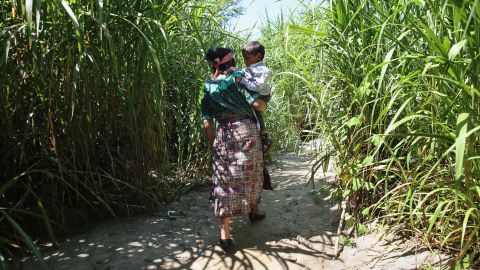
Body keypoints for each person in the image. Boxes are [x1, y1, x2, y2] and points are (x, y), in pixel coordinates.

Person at [202, 47, 266, 252]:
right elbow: (258, 105)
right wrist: (263, 103)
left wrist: (212, 144)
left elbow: (206, 122)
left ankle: (225, 233)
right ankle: (254, 210)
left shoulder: (208, 87)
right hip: (246, 131)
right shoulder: (238, 78)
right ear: (232, 61)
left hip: (223, 135)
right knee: (251, 173)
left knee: (224, 181)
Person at [236, 41, 273, 151]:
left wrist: (243, 81)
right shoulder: (251, 67)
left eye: (247, 58)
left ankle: (264, 137)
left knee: (256, 111)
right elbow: (244, 72)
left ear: (258, 56)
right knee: (254, 112)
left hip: (262, 95)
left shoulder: (263, 70)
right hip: (256, 93)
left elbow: (257, 86)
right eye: (244, 58)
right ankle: (263, 138)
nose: (245, 61)